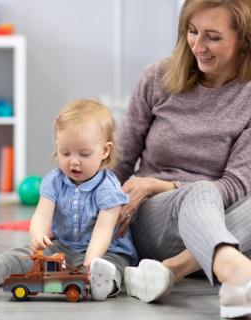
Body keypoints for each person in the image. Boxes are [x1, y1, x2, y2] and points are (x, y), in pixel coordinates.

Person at [112, 0, 251, 317]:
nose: (198, 46)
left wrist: (158, 184)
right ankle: (235, 272)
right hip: (153, 219)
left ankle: (173, 270)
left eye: (213, 37)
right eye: (192, 31)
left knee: (208, 194)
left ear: (244, 41)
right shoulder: (156, 77)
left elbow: (235, 186)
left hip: (219, 220)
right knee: (201, 192)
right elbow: (119, 164)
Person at [0, 99, 139, 301]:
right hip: (63, 247)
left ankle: (102, 284)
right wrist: (38, 235)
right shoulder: (55, 180)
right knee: (22, 255)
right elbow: (42, 214)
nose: (74, 161)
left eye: (84, 154)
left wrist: (93, 256)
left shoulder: (108, 187)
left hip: (105, 250)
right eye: (65, 153)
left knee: (113, 266)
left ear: (105, 151)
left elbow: (104, 229)